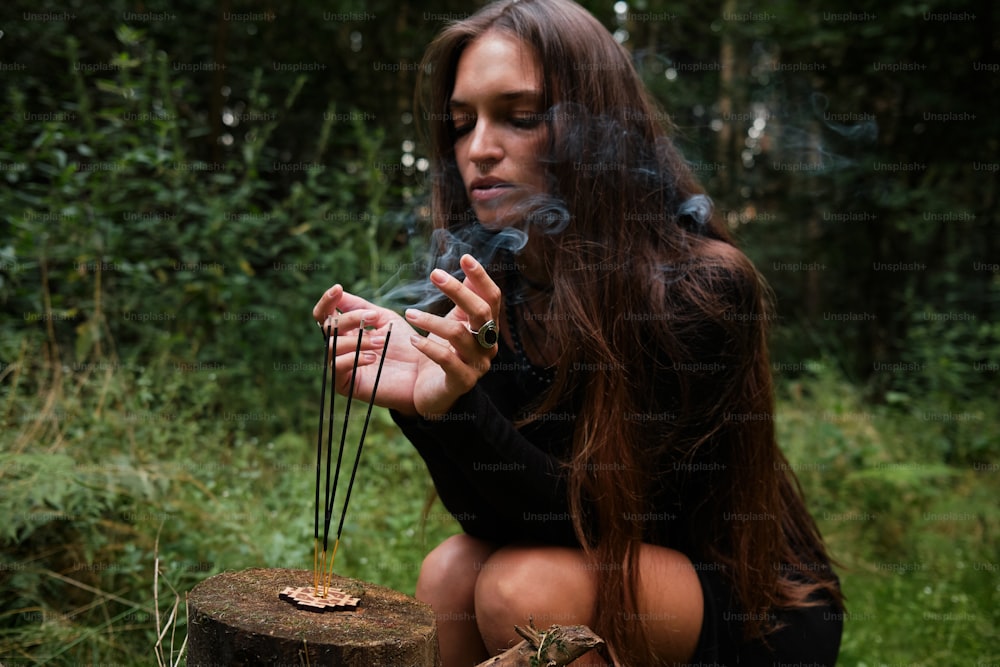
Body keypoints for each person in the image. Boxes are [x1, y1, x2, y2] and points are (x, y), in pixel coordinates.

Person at [312, 0, 844, 664]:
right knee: (449, 575)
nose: (478, 148)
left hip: (749, 604)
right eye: (460, 122)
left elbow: (608, 521)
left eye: (521, 117)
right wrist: (438, 402)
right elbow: (499, 518)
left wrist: (466, 411)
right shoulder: (493, 286)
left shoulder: (696, 290)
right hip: (589, 563)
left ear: (597, 128)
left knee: (521, 586)